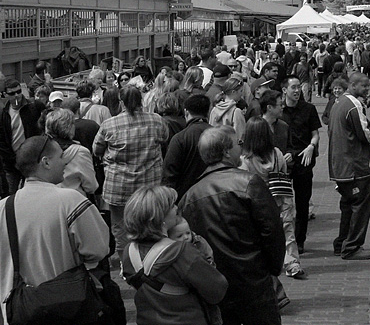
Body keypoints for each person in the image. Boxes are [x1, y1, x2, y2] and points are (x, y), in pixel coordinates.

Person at [0, 135, 111, 325]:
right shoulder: (71, 201)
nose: (66, 161)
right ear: (46, 162)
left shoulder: (3, 207)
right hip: (66, 306)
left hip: (18, 310)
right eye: (61, 156)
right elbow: (99, 249)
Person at [180, 127, 285, 325]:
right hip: (252, 280)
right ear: (226, 152)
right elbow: (273, 230)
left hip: (217, 284)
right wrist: (271, 268)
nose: (242, 149)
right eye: (238, 144)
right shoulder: (248, 183)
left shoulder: (189, 197)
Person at [122, 185, 228, 325]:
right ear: (160, 217)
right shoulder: (182, 252)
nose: (176, 208)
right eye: (172, 205)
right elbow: (217, 290)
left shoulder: (129, 251)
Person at [94, 85, 169, 261]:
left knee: (120, 227)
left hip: (118, 186)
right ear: (141, 100)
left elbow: (96, 149)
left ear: (121, 102)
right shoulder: (156, 120)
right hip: (149, 184)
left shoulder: (109, 125)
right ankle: (149, 258)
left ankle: (125, 262)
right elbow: (164, 138)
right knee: (150, 222)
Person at [240, 117, 305, 280]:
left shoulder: (245, 160)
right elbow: (284, 174)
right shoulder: (277, 154)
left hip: (258, 204)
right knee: (287, 231)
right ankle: (292, 262)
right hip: (280, 198)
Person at [328, 72, 370, 260]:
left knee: (348, 205)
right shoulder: (353, 105)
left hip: (340, 165)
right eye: (364, 86)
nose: (367, 90)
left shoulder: (338, 103)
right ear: (352, 85)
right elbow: (364, 133)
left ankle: (342, 242)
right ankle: (352, 246)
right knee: (360, 207)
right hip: (354, 166)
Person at [280, 75, 320, 255]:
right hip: (284, 162)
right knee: (282, 202)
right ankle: (283, 239)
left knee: (302, 202)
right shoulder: (278, 111)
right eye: (293, 87)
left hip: (304, 159)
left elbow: (315, 134)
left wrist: (312, 146)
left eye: (298, 87)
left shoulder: (309, 109)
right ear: (284, 90)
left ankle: (300, 239)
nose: (297, 91)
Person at [163, 94, 213, 200]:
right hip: (214, 196)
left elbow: (169, 174)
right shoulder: (219, 135)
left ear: (186, 112)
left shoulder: (180, 138)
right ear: (208, 112)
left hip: (185, 197)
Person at [0, 78, 43, 194]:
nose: (17, 95)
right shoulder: (3, 113)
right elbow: (2, 141)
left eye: (19, 91)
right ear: (5, 95)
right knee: (10, 194)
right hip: (11, 162)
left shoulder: (33, 107)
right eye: (12, 93)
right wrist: (13, 160)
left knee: (33, 193)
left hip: (30, 159)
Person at [44, 107, 98, 198]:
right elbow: (91, 186)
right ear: (69, 127)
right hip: (74, 201)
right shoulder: (80, 152)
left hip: (48, 199)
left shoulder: (42, 148)